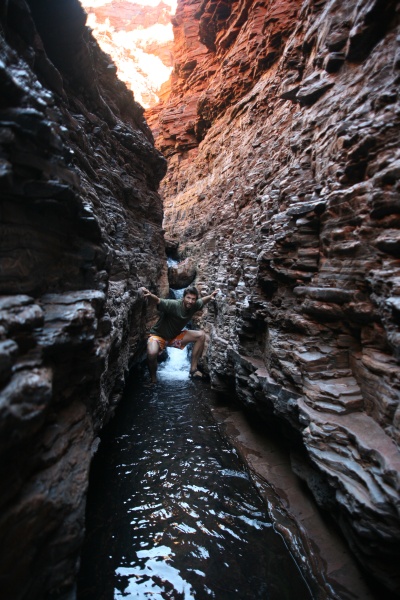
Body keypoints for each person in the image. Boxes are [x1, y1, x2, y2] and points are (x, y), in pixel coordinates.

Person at [141, 285, 219, 384]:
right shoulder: (174, 305)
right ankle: (153, 379)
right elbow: (159, 301)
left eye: (193, 299)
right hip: (158, 336)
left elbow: (202, 301)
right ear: (183, 298)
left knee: (201, 335)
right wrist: (150, 295)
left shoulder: (194, 305)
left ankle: (193, 370)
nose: (190, 301)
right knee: (152, 353)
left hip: (174, 337)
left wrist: (211, 296)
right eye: (188, 298)